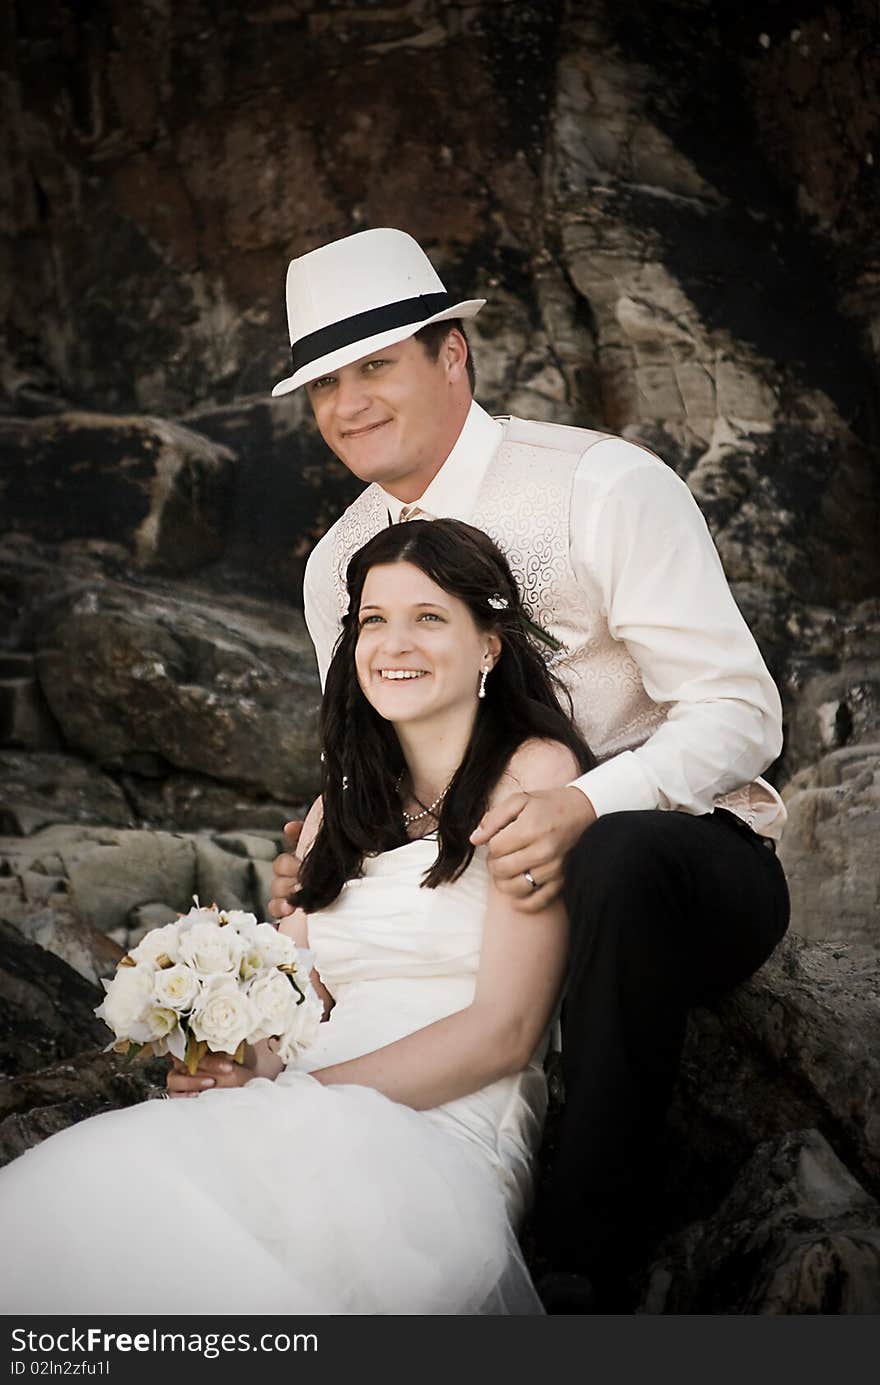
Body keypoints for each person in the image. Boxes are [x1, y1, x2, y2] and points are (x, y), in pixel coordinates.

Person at [267, 227, 792, 1311]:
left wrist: (581, 800)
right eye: (325, 381)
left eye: (376, 365)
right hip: (475, 894)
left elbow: (741, 709)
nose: (348, 403)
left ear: (452, 353)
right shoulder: (335, 565)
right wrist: (314, 870)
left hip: (681, 860)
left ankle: (583, 1256)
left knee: (615, 855)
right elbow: (359, 751)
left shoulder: (598, 484)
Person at [0, 518, 594, 1315]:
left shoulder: (534, 773)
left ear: (488, 645)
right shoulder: (337, 808)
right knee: (91, 1195)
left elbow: (507, 1029)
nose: (394, 643)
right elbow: (294, 996)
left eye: (428, 617)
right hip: (305, 1100)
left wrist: (307, 1092)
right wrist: (243, 1063)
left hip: (444, 1119)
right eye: (374, 620)